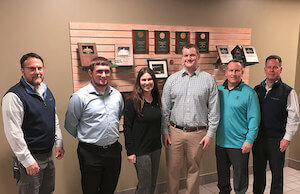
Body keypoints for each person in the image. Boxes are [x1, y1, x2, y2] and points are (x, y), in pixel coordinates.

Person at [2, 53, 65, 194]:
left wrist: (58, 142)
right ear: (22, 71)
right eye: (32, 68)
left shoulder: (46, 91)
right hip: (30, 157)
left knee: (47, 191)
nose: (37, 72)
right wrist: (27, 160)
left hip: (48, 156)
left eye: (39, 68)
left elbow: (52, 118)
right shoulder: (13, 96)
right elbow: (14, 132)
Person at [161, 43, 220, 194]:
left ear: (198, 57)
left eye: (192, 55)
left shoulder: (208, 80)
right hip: (175, 132)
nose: (189, 58)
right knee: (173, 170)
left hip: (198, 133)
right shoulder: (172, 80)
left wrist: (210, 134)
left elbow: (214, 110)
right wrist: (164, 131)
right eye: (186, 55)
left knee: (194, 170)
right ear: (182, 58)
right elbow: (165, 108)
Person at [64, 57, 124, 194]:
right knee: (90, 189)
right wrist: (88, 137)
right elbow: (70, 124)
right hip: (90, 153)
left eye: (107, 71)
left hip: (113, 151)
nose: (104, 75)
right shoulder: (79, 97)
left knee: (109, 189)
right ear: (90, 73)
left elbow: (117, 116)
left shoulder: (117, 96)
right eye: (99, 71)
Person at [253, 55, 300, 194]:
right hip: (259, 139)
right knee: (258, 173)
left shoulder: (288, 91)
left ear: (281, 69)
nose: (271, 70)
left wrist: (287, 138)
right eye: (269, 67)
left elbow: (294, 117)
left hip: (277, 140)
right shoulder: (257, 89)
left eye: (275, 67)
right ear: (264, 69)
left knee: (277, 174)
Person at [216, 59, 260, 194]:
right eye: (231, 70)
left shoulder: (249, 93)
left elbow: (254, 118)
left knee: (240, 181)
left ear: (242, 72)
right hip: (221, 142)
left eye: (236, 71)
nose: (233, 74)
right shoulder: (219, 90)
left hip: (240, 144)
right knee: (222, 179)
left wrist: (249, 140)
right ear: (226, 72)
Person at [123, 67, 162, 194]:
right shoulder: (132, 101)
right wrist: (130, 151)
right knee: (144, 186)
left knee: (152, 184)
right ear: (139, 82)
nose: (147, 82)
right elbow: (127, 127)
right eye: (143, 79)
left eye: (150, 79)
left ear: (153, 81)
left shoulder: (156, 100)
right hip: (141, 151)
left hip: (155, 148)